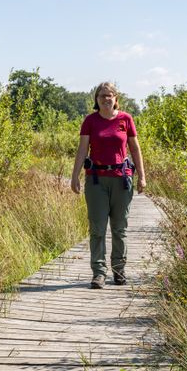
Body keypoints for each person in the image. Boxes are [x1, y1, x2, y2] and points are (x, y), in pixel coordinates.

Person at [70, 82, 146, 289]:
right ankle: (99, 273)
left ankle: (119, 270)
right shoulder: (90, 121)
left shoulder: (126, 119)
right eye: (102, 95)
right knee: (97, 229)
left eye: (109, 95)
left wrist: (142, 176)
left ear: (116, 98)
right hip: (96, 180)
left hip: (122, 179)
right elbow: (82, 150)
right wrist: (74, 175)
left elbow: (135, 149)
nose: (106, 99)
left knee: (120, 228)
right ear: (96, 99)